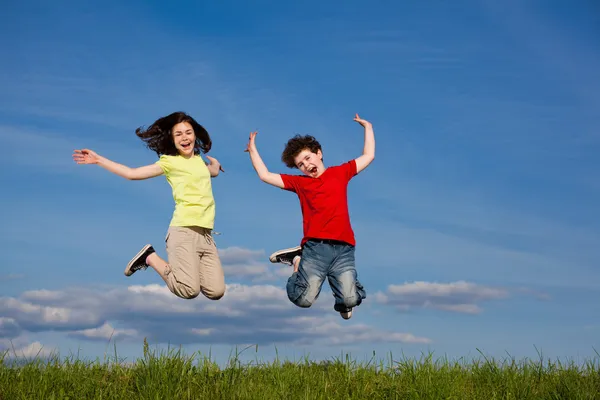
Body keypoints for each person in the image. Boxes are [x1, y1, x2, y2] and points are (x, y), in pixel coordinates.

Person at [72, 111, 226, 301]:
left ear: (195, 134)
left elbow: (210, 172)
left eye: (188, 132)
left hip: (206, 235)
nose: (184, 137)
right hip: (183, 231)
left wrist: (216, 165)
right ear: (171, 138)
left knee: (217, 291)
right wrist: (99, 160)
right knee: (189, 290)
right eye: (178, 134)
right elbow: (132, 173)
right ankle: (150, 257)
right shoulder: (170, 162)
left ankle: (173, 267)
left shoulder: (198, 162)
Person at [245, 113, 375, 319]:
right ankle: (297, 260)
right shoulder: (301, 184)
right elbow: (265, 175)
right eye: (300, 165)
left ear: (319, 153)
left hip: (344, 248)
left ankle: (344, 299)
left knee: (351, 299)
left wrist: (368, 127)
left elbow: (368, 156)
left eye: (307, 158)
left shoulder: (340, 173)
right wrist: (253, 151)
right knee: (303, 299)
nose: (306, 165)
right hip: (316, 247)